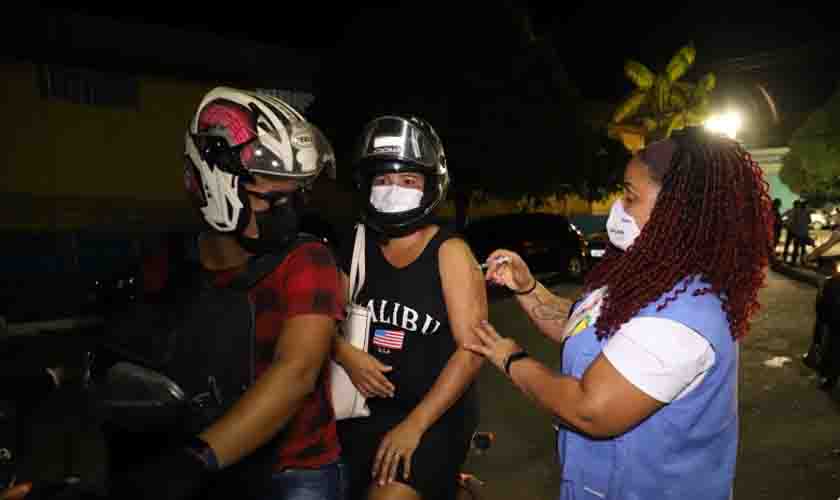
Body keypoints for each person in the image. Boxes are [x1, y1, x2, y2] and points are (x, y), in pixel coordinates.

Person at [465, 128, 773, 500]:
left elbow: (590, 410)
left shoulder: (685, 318)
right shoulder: (645, 274)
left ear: (680, 211)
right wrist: (529, 289)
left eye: (630, 196)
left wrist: (510, 359)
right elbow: (589, 328)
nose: (618, 208)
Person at [111, 87, 346, 500]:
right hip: (210, 465)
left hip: (292, 472)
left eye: (293, 197)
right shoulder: (171, 262)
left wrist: (196, 459)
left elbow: (296, 372)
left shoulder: (308, 259)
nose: (285, 213)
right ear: (213, 183)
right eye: (267, 197)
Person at [332, 116, 487, 500]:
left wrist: (414, 426)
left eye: (408, 181)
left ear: (430, 186)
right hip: (359, 412)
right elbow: (321, 322)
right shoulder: (355, 245)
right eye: (382, 180)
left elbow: (472, 351)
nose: (393, 190)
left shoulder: (449, 252)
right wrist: (346, 354)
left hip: (432, 417)